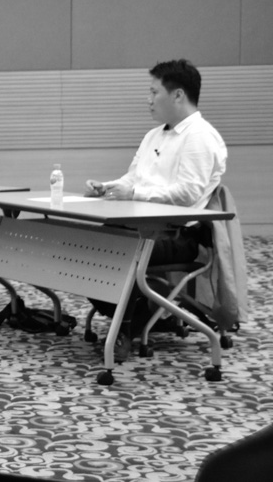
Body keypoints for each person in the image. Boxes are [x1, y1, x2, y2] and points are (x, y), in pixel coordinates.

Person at [84, 58, 227, 360]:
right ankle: (144, 314)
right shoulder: (154, 136)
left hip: (177, 235)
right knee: (81, 248)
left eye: (153, 92)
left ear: (178, 95)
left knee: (113, 252)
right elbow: (132, 178)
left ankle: (128, 327)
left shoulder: (199, 137)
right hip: (140, 226)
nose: (147, 99)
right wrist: (108, 187)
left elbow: (188, 194)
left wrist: (135, 193)